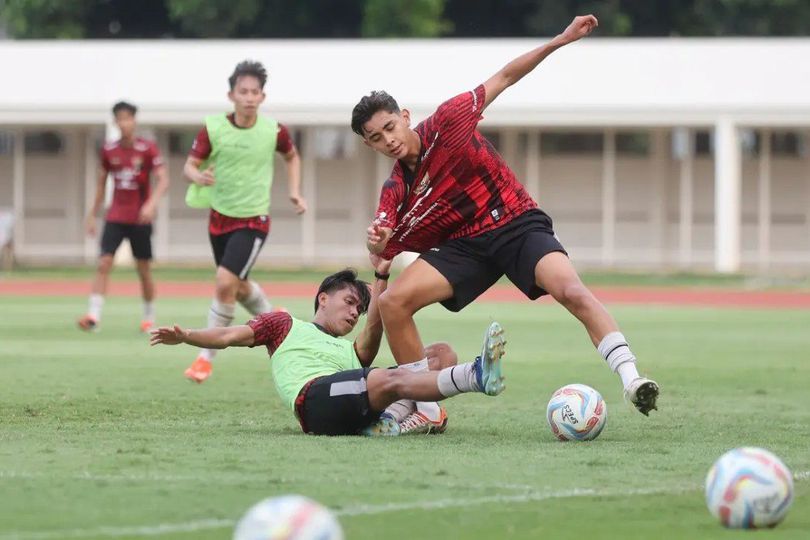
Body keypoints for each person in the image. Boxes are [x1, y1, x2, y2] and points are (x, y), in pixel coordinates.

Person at [351, 14, 658, 424]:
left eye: (389, 127)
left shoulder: (449, 121)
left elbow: (506, 76)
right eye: (376, 137)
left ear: (404, 116)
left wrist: (561, 40)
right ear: (370, 145)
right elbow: (381, 242)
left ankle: (632, 379)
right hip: (467, 245)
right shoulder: (396, 191)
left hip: (515, 223)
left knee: (570, 289)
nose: (388, 140)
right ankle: (425, 411)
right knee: (393, 303)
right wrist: (376, 243)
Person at [150, 258, 506, 437]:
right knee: (385, 378)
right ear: (323, 297)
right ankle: (475, 376)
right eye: (350, 302)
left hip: (356, 398)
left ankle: (394, 422)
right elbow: (228, 336)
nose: (354, 313)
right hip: (314, 403)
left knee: (440, 353)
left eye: (358, 309)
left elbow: (378, 319)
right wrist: (187, 336)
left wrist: (381, 275)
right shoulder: (284, 325)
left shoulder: (352, 353)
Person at [182, 60, 307, 383]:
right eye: (244, 91)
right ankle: (276, 320)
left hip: (254, 221)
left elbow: (292, 157)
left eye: (255, 92)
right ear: (231, 95)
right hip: (218, 219)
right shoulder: (213, 128)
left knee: (225, 282)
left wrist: (294, 191)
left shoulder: (273, 130)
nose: (250, 97)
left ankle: (204, 358)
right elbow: (189, 166)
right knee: (236, 288)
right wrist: (198, 175)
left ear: (262, 97)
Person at [78, 101, 169, 332]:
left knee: (143, 269)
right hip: (115, 216)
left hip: (140, 219)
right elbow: (101, 185)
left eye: (128, 118)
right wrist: (91, 215)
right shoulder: (109, 150)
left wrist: (151, 204)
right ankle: (93, 316)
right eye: (120, 118)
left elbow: (163, 180)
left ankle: (149, 317)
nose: (124, 122)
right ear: (116, 122)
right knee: (103, 263)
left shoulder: (147, 148)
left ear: (134, 120)